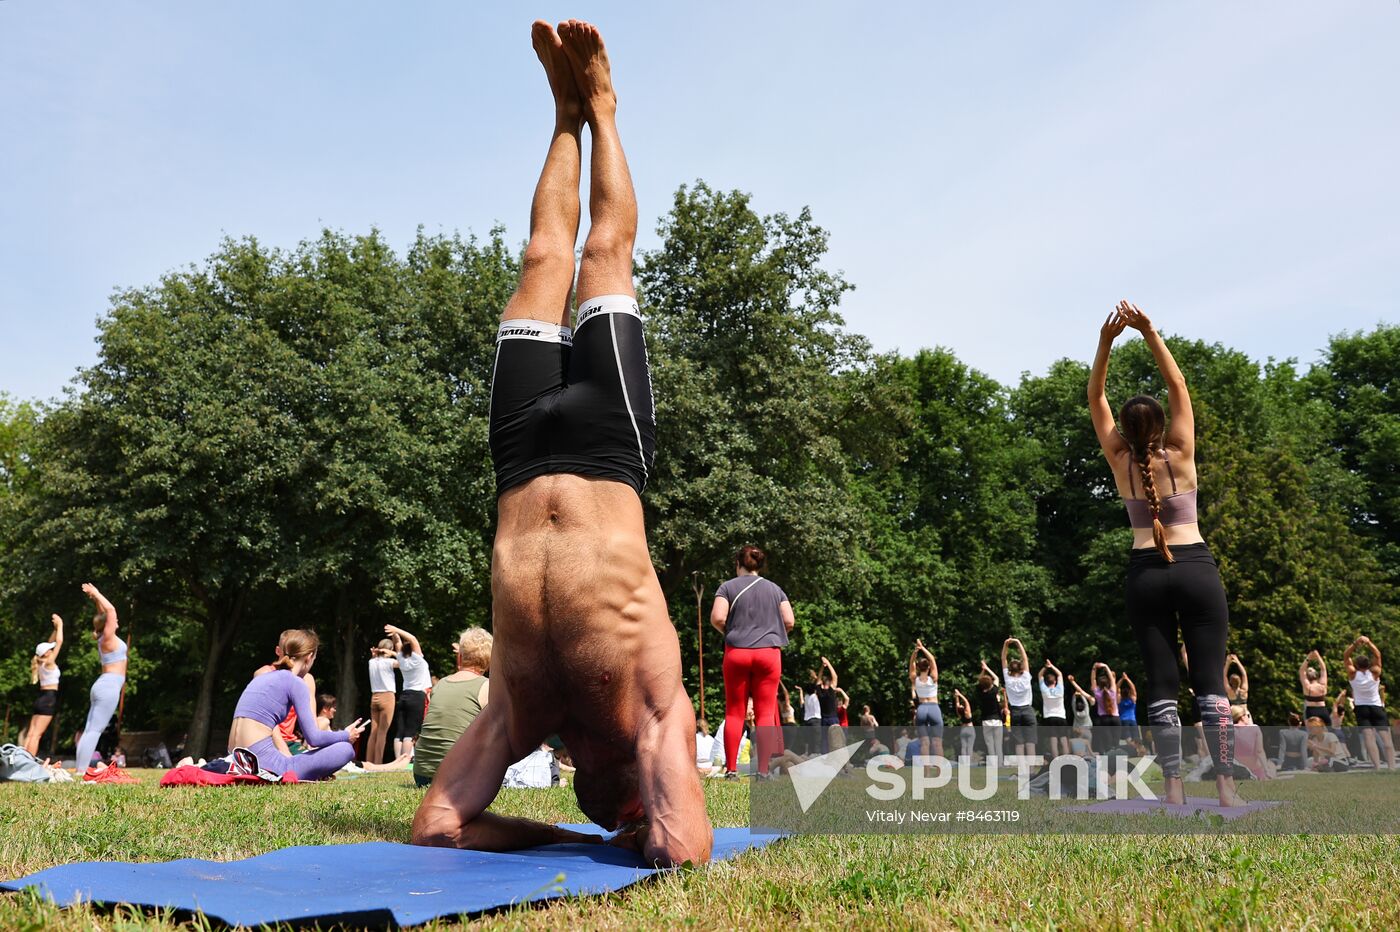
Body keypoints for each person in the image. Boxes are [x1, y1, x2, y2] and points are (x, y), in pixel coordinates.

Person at [412, 21, 712, 866]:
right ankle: (601, 109)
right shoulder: (657, 709)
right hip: (606, 449)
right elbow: (685, 851)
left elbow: (438, 828)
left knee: (545, 254)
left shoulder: (521, 714)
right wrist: (592, 836)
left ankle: (561, 115)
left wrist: (567, 841)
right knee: (603, 253)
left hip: (516, 459)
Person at [1088, 301, 1241, 806]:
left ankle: (1173, 788)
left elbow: (1095, 397)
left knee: (1160, 683)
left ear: (1126, 433)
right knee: (1210, 684)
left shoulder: (1119, 460)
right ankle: (1224, 787)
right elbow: (1178, 387)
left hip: (1145, 575)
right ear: (1159, 425)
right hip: (1194, 567)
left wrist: (1107, 343)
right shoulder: (1180, 450)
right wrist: (1149, 331)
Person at [228, 630, 365, 780]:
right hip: (262, 763)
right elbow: (314, 738)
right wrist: (346, 735)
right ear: (309, 657)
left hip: (236, 757)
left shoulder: (262, 677)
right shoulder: (296, 682)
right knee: (345, 749)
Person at [710, 544, 794, 778]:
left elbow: (717, 617)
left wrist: (732, 631)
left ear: (738, 564)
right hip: (769, 653)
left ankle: (732, 769)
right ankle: (764, 770)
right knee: (765, 713)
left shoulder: (727, 587)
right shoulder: (776, 589)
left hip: (737, 652)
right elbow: (789, 621)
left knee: (735, 712)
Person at [414, 627, 493, 787]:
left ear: (459, 657)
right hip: (459, 776)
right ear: (490, 660)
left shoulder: (440, 684)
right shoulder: (487, 686)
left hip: (421, 774)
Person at [74, 584, 132, 782]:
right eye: (113, 621)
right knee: (94, 730)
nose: (116, 622)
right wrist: (98, 593)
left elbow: (103, 614)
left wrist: (94, 598)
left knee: (91, 729)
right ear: (108, 623)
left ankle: (80, 769)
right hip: (108, 686)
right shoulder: (108, 637)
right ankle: (81, 771)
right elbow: (110, 611)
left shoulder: (104, 636)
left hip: (103, 685)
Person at [249, 630, 317, 757]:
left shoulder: (307, 680)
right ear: (278, 651)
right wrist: (283, 750)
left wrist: (313, 747)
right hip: (265, 741)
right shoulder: (265, 674)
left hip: (291, 742)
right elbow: (265, 719)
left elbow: (311, 720)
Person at [1344, 636, 1396, 770]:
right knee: (1386, 739)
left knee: (1369, 738)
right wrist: (1368, 642)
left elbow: (1346, 655)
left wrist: (1356, 643)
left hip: (1362, 708)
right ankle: (1391, 767)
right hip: (1377, 707)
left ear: (1356, 664)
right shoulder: (1375, 673)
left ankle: (1377, 767)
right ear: (1369, 664)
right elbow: (1378, 655)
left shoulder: (1352, 674)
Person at [386, 624, 431, 760]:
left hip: (404, 696)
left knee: (399, 732)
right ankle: (404, 761)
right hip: (417, 696)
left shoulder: (401, 658)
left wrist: (394, 635)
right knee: (410, 732)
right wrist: (396, 630)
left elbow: (397, 643)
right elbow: (413, 638)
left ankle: (397, 762)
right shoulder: (418, 658)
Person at [25, 614, 63, 757]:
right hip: (49, 699)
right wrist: (60, 625)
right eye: (50, 649)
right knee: (37, 736)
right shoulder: (49, 661)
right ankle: (28, 765)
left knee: (30, 734)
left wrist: (54, 629)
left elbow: (51, 641)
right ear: (47, 653)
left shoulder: (40, 662)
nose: (52, 650)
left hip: (41, 698)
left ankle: (21, 763)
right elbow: (59, 641)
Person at [1001, 638, 1036, 759]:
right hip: (1028, 710)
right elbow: (1025, 658)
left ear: (1010, 670)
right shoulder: (1026, 677)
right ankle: (1031, 770)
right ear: (1021, 668)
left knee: (1019, 743)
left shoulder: (1008, 679)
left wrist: (1006, 645)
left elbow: (1003, 659)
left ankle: (1022, 769)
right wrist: (1018, 642)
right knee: (1030, 741)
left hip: (1015, 711)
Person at [909, 639, 943, 759]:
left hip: (922, 708)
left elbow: (911, 663)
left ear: (918, 667)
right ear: (928, 668)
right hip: (934, 708)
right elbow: (932, 659)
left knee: (924, 743)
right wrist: (922, 648)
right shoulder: (933, 678)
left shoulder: (915, 679)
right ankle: (940, 773)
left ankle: (926, 773)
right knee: (937, 743)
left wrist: (915, 652)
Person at [367, 638, 399, 764]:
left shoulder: (371, 662)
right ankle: (378, 763)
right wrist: (395, 654)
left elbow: (376, 660)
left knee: (373, 732)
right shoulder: (389, 662)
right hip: (387, 696)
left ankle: (369, 761)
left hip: (374, 697)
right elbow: (404, 663)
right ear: (389, 649)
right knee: (382, 733)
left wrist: (375, 655)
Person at [1039, 659, 1069, 759]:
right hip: (1061, 716)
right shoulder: (1060, 689)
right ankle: (1066, 759)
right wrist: (1051, 666)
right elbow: (1060, 674)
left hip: (1049, 716)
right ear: (1055, 681)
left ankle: (1056, 759)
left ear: (1045, 682)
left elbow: (1040, 675)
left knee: (1053, 739)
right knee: (1063, 739)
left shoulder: (1044, 690)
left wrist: (1045, 667)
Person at [976, 661, 1004, 762]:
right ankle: (1000, 762)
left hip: (986, 721)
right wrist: (987, 668)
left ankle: (993, 763)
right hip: (997, 720)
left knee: (990, 744)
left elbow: (979, 680)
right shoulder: (994, 691)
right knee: (998, 743)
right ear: (990, 684)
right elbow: (996, 678)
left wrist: (982, 670)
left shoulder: (980, 693)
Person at [815, 658, 841, 753]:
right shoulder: (831, 691)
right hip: (833, 719)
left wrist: (822, 667)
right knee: (837, 741)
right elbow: (835, 676)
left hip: (824, 719)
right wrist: (828, 663)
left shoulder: (820, 693)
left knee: (825, 741)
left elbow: (818, 679)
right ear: (829, 683)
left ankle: (825, 760)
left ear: (822, 683)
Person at [1300, 650, 1330, 723]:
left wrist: (1308, 658)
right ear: (1316, 675)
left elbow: (1301, 670)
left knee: (1312, 733)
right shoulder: (1322, 685)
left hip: (1311, 711)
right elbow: (1323, 669)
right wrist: (1318, 656)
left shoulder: (1307, 687)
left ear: (1307, 677)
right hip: (1323, 710)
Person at [952, 689, 977, 761]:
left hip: (963, 729)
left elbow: (957, 705)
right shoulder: (967, 713)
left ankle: (963, 761)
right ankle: (969, 761)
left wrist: (956, 696)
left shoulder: (960, 714)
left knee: (963, 746)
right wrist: (959, 695)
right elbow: (966, 701)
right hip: (970, 728)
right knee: (970, 747)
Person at [800, 680, 821, 756]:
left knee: (809, 738)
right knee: (816, 738)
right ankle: (816, 754)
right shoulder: (815, 696)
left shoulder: (806, 697)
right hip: (815, 719)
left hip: (807, 719)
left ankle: (809, 753)